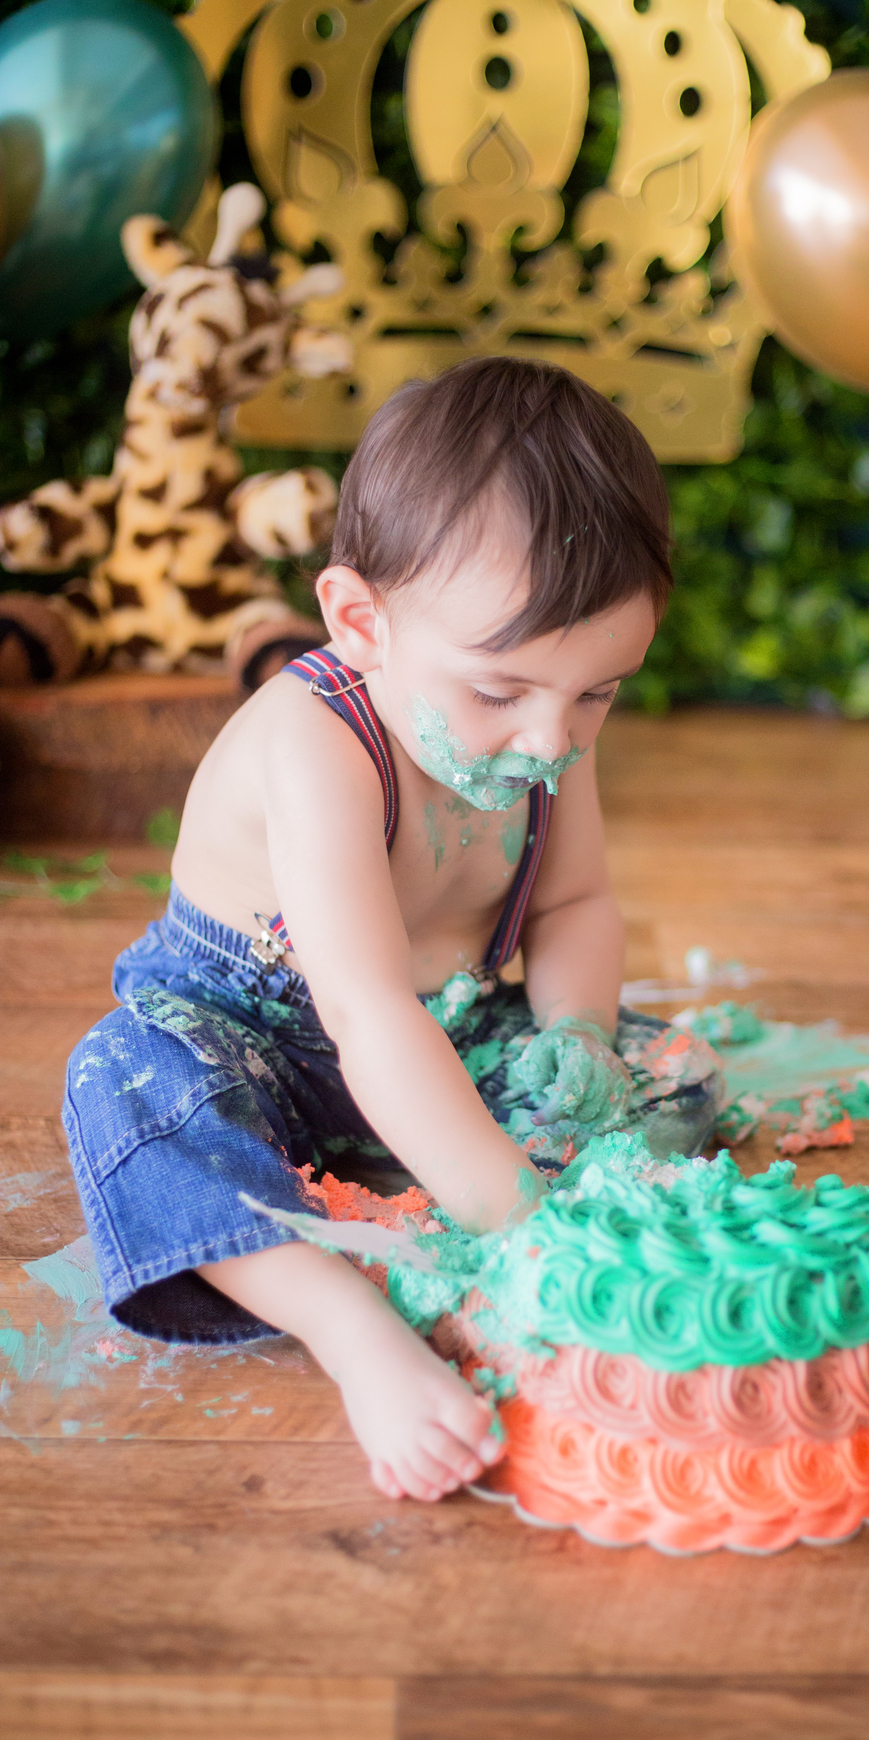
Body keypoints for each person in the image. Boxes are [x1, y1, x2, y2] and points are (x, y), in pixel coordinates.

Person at [63, 357, 723, 1505]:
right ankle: (347, 1318)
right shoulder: (316, 745)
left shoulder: (544, 723)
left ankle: (460, 1195)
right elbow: (362, 1012)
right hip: (256, 1038)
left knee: (675, 1072)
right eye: (503, 690)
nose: (548, 740)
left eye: (598, 692)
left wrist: (578, 1039)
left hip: (437, 1036)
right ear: (362, 622)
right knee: (126, 1087)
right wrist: (519, 1224)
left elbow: (573, 907)